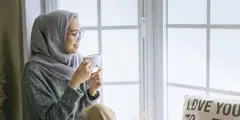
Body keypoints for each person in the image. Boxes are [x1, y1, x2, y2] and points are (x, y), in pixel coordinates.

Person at [22, 10, 102, 120]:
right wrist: (74, 83)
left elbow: (83, 114)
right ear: (54, 36)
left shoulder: (77, 60)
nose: (78, 39)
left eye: (79, 33)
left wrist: (92, 91)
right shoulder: (34, 71)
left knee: (100, 110)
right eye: (74, 34)